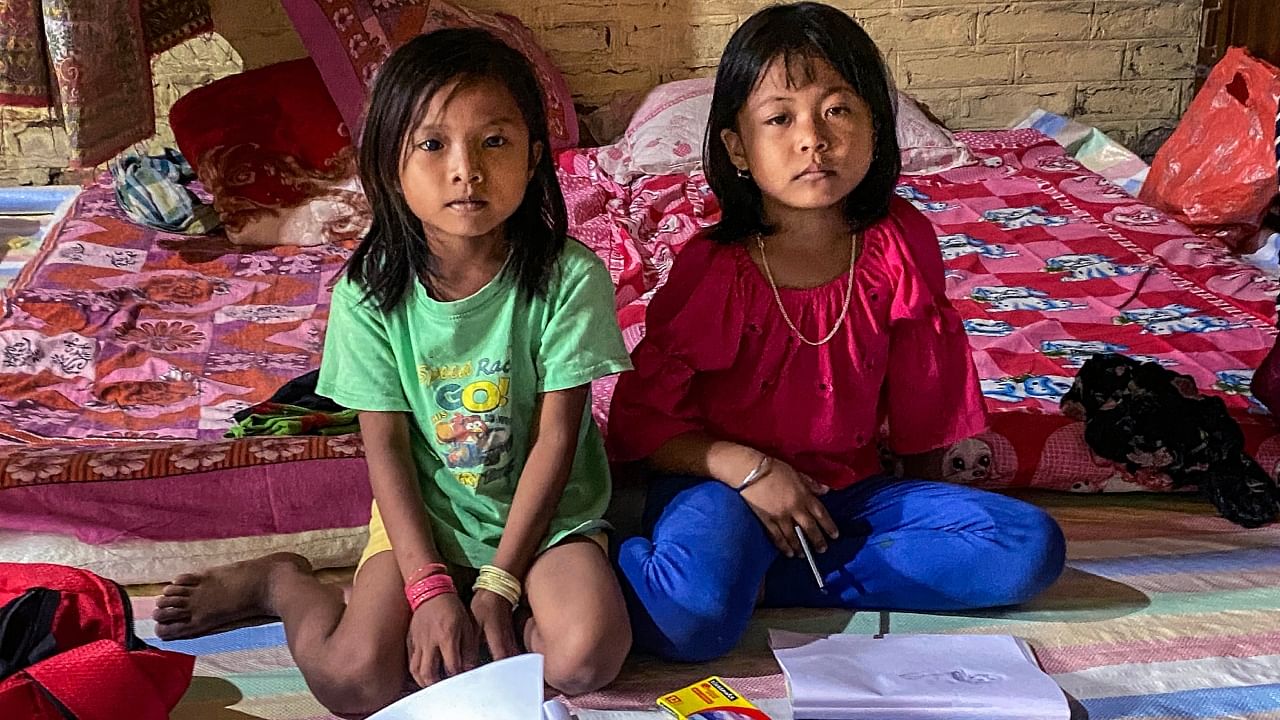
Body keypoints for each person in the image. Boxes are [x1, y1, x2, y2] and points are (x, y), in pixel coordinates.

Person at [151, 28, 633, 712]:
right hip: (430, 518)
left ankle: (503, 615)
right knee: (351, 681)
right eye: (432, 145)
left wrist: (498, 587)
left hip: (546, 519)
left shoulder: (567, 277)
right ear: (389, 164)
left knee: (587, 657)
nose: (465, 169)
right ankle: (280, 584)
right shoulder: (370, 291)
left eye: (493, 141)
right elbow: (384, 443)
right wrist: (430, 587)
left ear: (533, 155)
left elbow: (558, 440)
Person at [608, 2, 1066, 663]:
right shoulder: (714, 269)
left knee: (1026, 550)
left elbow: (924, 402)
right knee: (690, 623)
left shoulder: (899, 242)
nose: (812, 139)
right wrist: (750, 472)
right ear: (737, 146)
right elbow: (643, 427)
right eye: (779, 119)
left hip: (848, 492)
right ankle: (692, 565)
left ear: (875, 126)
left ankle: (767, 577)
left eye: (837, 110)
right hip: (723, 489)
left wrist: (929, 503)